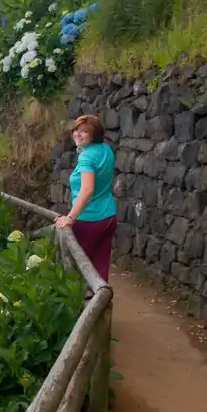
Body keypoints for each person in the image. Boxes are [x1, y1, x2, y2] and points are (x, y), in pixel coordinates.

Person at [54, 114, 117, 289]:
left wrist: (71, 217)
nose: (77, 134)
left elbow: (87, 189)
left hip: (90, 219)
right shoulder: (105, 149)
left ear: (94, 135)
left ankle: (84, 310)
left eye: (84, 132)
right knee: (100, 268)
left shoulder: (87, 157)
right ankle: (102, 308)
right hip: (108, 216)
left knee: (79, 268)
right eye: (76, 130)